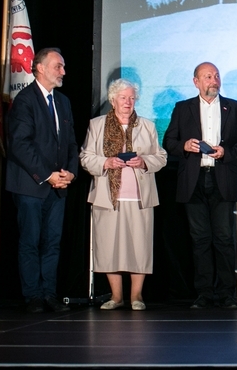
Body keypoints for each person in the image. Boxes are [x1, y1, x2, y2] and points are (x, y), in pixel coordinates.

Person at [163, 62, 237, 309]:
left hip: (221, 177)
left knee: (223, 238)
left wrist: (226, 152)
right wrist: (184, 145)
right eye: (207, 76)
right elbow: (168, 141)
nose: (213, 80)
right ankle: (204, 293)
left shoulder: (235, 108)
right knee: (199, 239)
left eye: (216, 75)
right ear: (196, 82)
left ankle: (226, 293)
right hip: (193, 180)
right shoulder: (183, 108)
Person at [80, 79, 167, 311]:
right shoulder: (97, 125)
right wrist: (106, 161)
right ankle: (116, 297)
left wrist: (144, 161)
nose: (128, 102)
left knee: (139, 247)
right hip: (107, 197)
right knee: (109, 247)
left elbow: (161, 157)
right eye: (123, 97)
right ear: (113, 100)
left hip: (140, 197)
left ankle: (136, 296)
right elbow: (86, 157)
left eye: (131, 98)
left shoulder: (147, 126)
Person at [6, 48, 78, 313]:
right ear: (40, 68)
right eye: (58, 66)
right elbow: (20, 145)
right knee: (30, 241)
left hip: (58, 187)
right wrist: (48, 176)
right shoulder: (25, 100)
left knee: (52, 242)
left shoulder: (63, 102)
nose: (63, 72)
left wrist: (70, 172)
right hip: (30, 186)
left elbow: (70, 143)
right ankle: (33, 296)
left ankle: (49, 293)